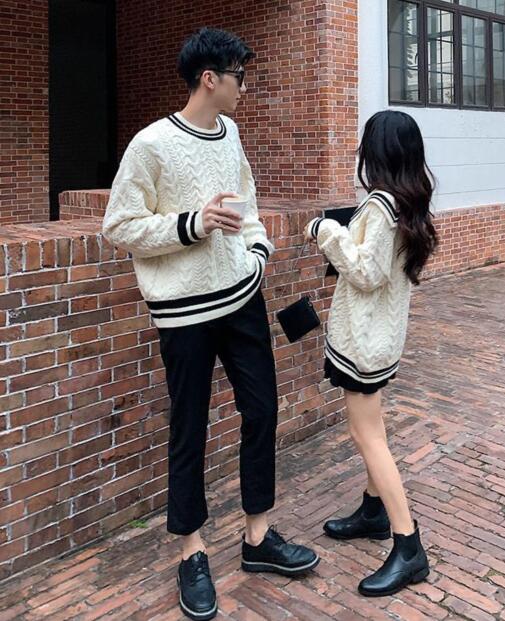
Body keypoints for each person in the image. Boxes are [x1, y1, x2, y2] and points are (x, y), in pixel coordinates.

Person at [103, 27, 319, 621]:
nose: (244, 88)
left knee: (263, 410)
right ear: (209, 78)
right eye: (239, 77)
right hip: (184, 312)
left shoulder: (232, 134)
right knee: (190, 426)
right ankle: (191, 551)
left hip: (242, 298)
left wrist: (258, 251)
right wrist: (191, 224)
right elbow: (119, 226)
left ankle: (258, 537)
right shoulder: (151, 145)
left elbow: (247, 201)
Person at [304, 110, 438, 597]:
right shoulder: (409, 203)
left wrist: (325, 230)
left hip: (363, 341)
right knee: (373, 429)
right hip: (381, 337)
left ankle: (408, 545)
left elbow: (365, 272)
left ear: (376, 151)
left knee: (368, 437)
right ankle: (373, 510)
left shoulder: (382, 206)